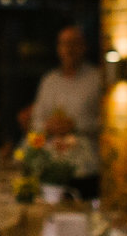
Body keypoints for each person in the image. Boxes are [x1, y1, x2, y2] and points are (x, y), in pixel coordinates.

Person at [21, 25, 104, 197]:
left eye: (74, 44)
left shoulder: (96, 80)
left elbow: (106, 122)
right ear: (58, 49)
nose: (69, 49)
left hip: (85, 168)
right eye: (64, 44)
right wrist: (48, 126)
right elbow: (36, 120)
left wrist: (75, 125)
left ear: (83, 47)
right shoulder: (49, 81)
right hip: (50, 166)